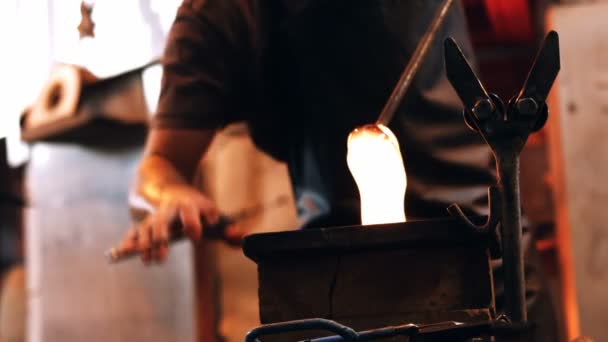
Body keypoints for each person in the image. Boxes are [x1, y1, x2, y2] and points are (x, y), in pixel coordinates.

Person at [117, 0, 558, 340]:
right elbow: (159, 167)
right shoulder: (218, 16)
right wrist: (171, 194)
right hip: (341, 290)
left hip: (487, 259)